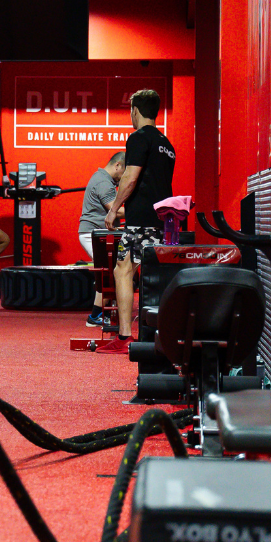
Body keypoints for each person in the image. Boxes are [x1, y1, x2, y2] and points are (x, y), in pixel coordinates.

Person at [100, 89, 176, 354]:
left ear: (135, 110)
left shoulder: (138, 138)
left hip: (139, 221)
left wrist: (113, 211)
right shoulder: (167, 144)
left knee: (122, 271)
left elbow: (129, 179)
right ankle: (156, 334)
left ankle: (123, 336)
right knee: (151, 275)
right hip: (161, 220)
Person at [77, 151, 126, 328]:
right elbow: (116, 210)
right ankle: (96, 316)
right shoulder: (103, 182)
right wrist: (141, 210)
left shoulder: (104, 180)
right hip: (93, 235)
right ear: (118, 165)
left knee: (110, 271)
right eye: (124, 173)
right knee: (110, 272)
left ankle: (102, 314)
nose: (123, 178)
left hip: (97, 233)